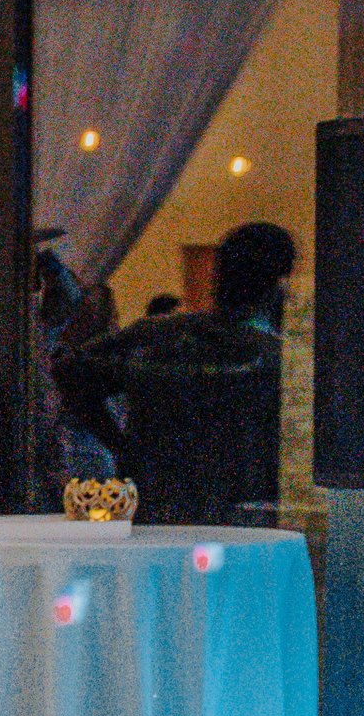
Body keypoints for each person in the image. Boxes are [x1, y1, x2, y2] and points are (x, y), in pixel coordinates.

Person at [65, 221, 295, 526]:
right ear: (276, 282)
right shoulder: (275, 356)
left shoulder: (159, 332)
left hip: (158, 505)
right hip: (237, 511)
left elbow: (70, 371)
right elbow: (72, 372)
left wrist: (124, 447)